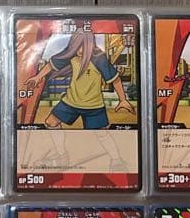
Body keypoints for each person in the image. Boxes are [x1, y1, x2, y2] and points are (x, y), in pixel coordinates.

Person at [22, 30, 134, 170]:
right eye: (77, 46)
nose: (79, 50)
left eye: (82, 46)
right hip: (71, 101)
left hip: (93, 105)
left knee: (102, 133)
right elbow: (51, 64)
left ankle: (117, 161)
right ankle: (62, 156)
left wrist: (123, 99)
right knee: (51, 122)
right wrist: (37, 77)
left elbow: (115, 79)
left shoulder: (99, 58)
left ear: (90, 44)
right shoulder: (71, 55)